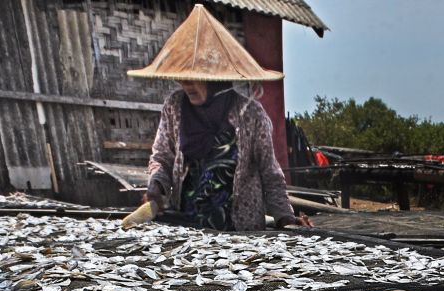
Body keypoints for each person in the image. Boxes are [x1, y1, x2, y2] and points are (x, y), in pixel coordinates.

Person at [127, 4, 312, 231]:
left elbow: (270, 173)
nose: (186, 85)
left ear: (216, 80)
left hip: (239, 229)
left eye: (194, 78)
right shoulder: (174, 107)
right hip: (189, 225)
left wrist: (284, 216)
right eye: (181, 78)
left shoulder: (251, 115)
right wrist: (156, 185)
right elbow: (162, 157)